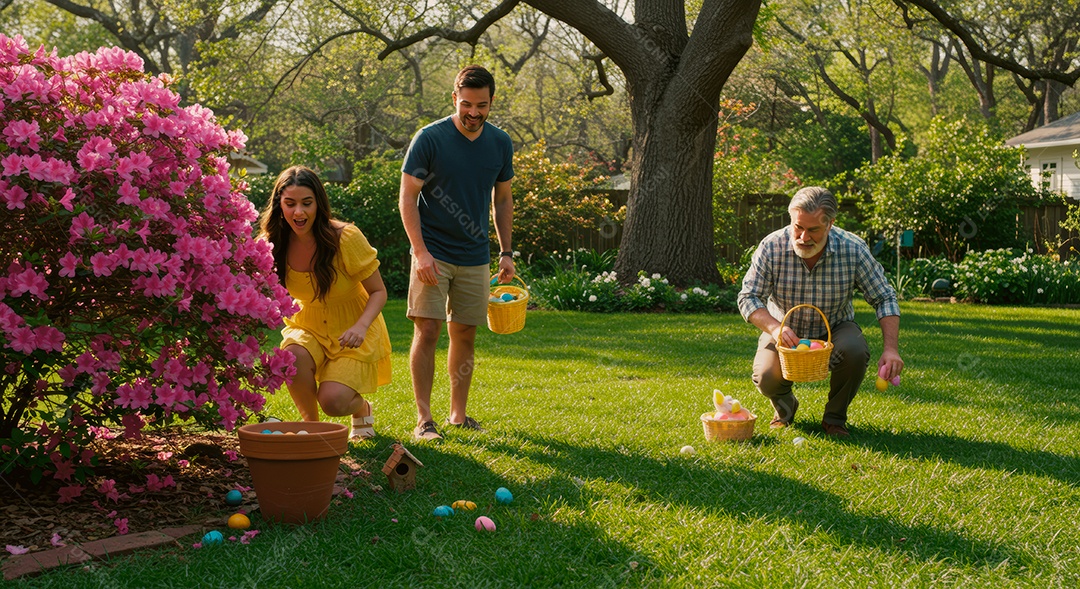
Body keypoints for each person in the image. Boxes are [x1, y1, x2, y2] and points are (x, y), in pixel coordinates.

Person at [399, 65, 515, 441]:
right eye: (466, 104)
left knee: (464, 333)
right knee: (428, 329)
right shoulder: (430, 138)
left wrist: (506, 251)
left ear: (491, 102)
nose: (474, 112)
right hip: (432, 252)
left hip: (475, 255)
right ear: (454, 99)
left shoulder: (500, 143)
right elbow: (407, 197)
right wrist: (420, 252)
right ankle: (424, 419)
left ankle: (458, 416)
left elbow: (503, 198)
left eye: (482, 105)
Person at [737, 186, 903, 437]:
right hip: (783, 329)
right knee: (766, 376)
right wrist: (775, 328)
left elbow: (884, 297)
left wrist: (891, 349)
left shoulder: (853, 249)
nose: (803, 237)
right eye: (798, 227)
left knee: (855, 351)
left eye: (813, 229)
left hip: (835, 327)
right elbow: (748, 297)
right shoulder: (771, 247)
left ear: (830, 224)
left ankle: (834, 419)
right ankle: (785, 408)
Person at [258, 166, 392, 441]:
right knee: (291, 357)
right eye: (290, 203)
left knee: (333, 401)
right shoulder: (271, 243)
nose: (299, 212)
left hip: (353, 327)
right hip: (307, 323)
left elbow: (379, 291)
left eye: (307, 203)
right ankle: (312, 431)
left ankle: (361, 408)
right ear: (279, 205)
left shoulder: (346, 238)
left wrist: (361, 327)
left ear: (319, 203)